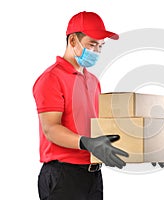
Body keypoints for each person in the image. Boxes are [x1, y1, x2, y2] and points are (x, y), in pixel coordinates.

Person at [33, 11, 129, 200]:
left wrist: (147, 149)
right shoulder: (51, 79)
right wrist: (86, 142)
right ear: (73, 41)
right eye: (92, 44)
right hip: (63, 175)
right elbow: (50, 128)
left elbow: (101, 129)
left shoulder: (93, 81)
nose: (96, 51)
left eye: (100, 46)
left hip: (93, 174)